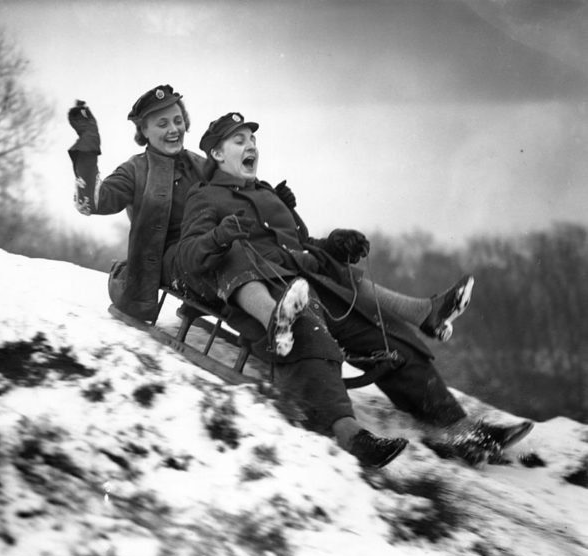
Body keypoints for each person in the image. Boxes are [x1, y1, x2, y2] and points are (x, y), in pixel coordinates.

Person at [174, 112, 533, 468]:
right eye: (239, 141)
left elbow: (300, 243)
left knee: (389, 338)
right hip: (264, 291)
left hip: (310, 282)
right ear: (218, 155)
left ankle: (462, 431)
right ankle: (349, 435)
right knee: (311, 335)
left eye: (253, 140)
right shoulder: (205, 198)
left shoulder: (268, 194)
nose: (251, 146)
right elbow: (189, 254)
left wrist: (334, 244)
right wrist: (221, 237)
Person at [68, 85, 207, 321]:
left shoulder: (201, 165)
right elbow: (91, 203)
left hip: (206, 252)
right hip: (164, 265)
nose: (174, 130)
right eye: (162, 124)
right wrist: (88, 145)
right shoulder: (135, 170)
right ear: (144, 130)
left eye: (177, 120)